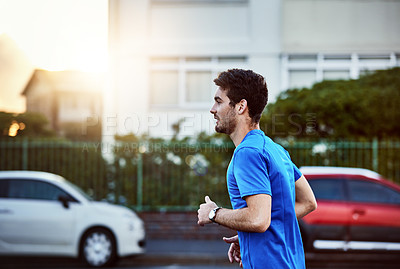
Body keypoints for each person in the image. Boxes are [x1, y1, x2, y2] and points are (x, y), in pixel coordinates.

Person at [197, 69, 317, 269]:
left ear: (241, 106)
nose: (213, 109)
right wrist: (246, 233)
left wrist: (213, 214)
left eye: (219, 101)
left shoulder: (247, 152)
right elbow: (308, 202)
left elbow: (258, 219)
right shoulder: (275, 149)